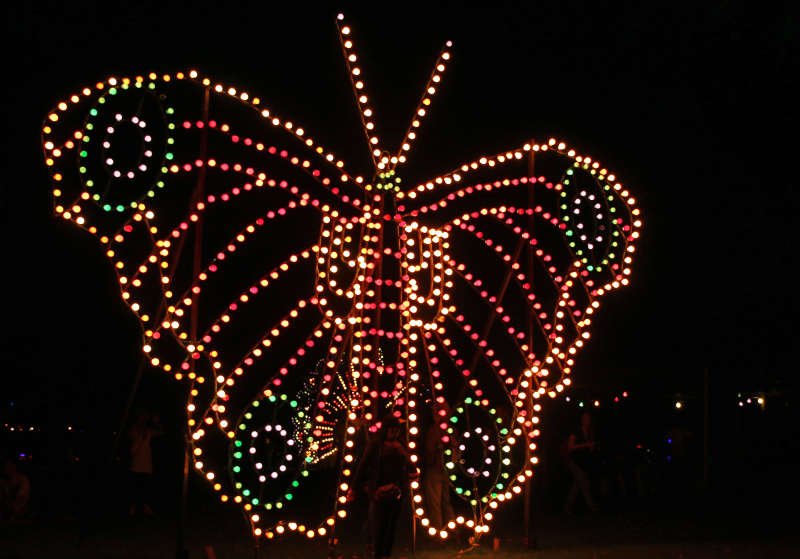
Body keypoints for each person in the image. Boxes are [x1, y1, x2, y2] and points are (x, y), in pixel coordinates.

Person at [350, 414, 418, 559]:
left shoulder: (400, 445)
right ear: (385, 430)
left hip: (396, 491)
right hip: (378, 491)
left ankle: (385, 555)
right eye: (392, 430)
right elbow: (362, 467)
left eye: (397, 430)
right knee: (377, 526)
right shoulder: (375, 445)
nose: (395, 433)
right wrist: (354, 488)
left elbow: (412, 470)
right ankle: (376, 553)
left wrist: (402, 453)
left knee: (391, 526)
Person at [422, 403, 454, 531]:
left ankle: (439, 532)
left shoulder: (435, 430)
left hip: (436, 469)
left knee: (435, 502)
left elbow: (429, 451)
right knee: (446, 502)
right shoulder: (450, 429)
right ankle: (451, 531)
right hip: (447, 470)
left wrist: (430, 461)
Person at [126, 409, 163, 516]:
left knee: (145, 484)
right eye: (142, 417)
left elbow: (160, 432)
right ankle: (132, 507)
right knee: (135, 484)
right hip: (136, 459)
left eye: (145, 417)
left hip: (146, 461)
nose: (143, 419)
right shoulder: (134, 429)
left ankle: (145, 506)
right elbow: (130, 439)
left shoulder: (148, 430)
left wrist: (157, 423)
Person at [562, 410, 598, 514]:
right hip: (574, 462)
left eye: (589, 418)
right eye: (585, 418)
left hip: (583, 462)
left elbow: (589, 448)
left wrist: (591, 447)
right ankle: (592, 506)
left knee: (578, 484)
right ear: (582, 419)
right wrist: (586, 445)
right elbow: (571, 447)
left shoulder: (590, 432)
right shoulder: (576, 431)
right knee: (584, 483)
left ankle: (567, 507)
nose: (587, 420)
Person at [0, 456, 31, 521]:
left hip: (20, 509)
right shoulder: (3, 481)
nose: (7, 468)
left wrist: (13, 508)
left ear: (14, 467)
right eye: (5, 466)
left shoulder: (22, 479)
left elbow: (22, 498)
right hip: (7, 509)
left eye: (9, 466)